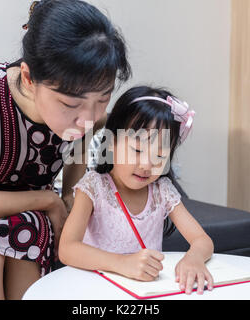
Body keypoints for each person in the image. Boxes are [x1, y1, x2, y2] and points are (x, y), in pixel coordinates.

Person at [0, 0, 131, 300]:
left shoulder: (92, 118)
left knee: (24, 249)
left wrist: (68, 202)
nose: (87, 119)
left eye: (103, 99)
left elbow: (72, 187)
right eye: (70, 104)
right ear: (29, 79)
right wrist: (47, 200)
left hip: (28, 213)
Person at [59, 86, 215, 295]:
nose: (146, 165)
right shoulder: (93, 187)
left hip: (145, 291)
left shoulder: (162, 191)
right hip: (95, 291)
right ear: (112, 143)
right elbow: (67, 249)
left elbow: (202, 240)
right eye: (138, 150)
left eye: (159, 156)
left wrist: (194, 259)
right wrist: (122, 263)